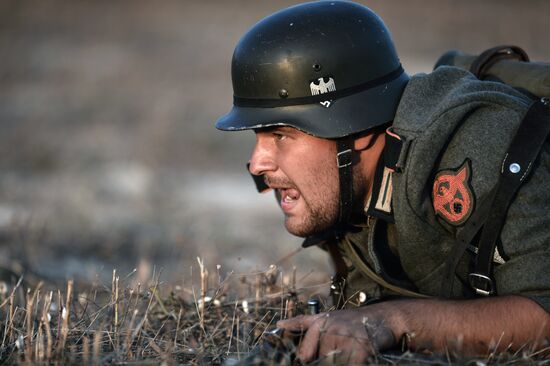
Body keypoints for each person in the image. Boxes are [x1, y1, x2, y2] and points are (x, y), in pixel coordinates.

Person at [216, 1, 550, 363]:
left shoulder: (484, 152)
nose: (257, 162)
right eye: (257, 137)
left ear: (354, 130)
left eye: (280, 135)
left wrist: (391, 320)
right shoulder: (346, 186)